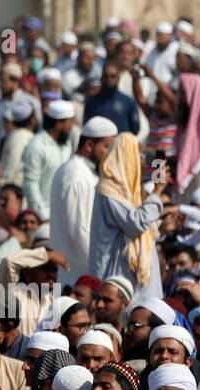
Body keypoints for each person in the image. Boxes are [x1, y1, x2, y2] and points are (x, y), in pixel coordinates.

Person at [88, 133, 165, 304]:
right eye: (135, 156)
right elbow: (136, 223)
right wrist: (158, 192)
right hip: (118, 273)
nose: (140, 161)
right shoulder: (109, 191)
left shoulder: (129, 193)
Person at [49, 117, 118, 287]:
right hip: (78, 279)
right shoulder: (76, 175)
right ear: (89, 146)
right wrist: (101, 271)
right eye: (107, 147)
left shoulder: (86, 172)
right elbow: (79, 232)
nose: (111, 155)